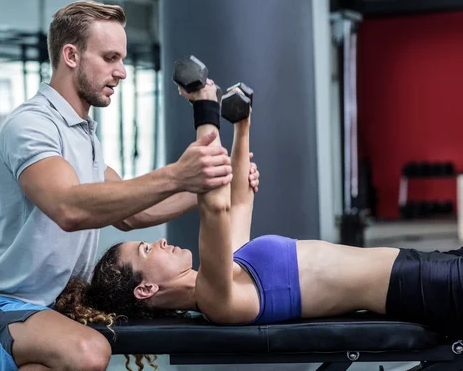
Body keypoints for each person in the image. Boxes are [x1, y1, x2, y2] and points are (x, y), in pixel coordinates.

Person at [0, 0, 260, 371]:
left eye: (122, 59)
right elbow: (69, 207)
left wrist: (211, 182)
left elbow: (136, 211)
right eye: (110, 58)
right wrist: (177, 174)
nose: (122, 72)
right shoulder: (32, 126)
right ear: (71, 55)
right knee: (89, 352)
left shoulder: (84, 136)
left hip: (44, 311)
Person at [55, 78, 463, 343]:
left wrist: (242, 123)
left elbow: (237, 201)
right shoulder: (217, 300)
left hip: (422, 269)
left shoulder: (230, 270)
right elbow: (214, 209)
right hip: (419, 286)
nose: (159, 241)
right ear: (146, 289)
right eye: (146, 250)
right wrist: (204, 108)